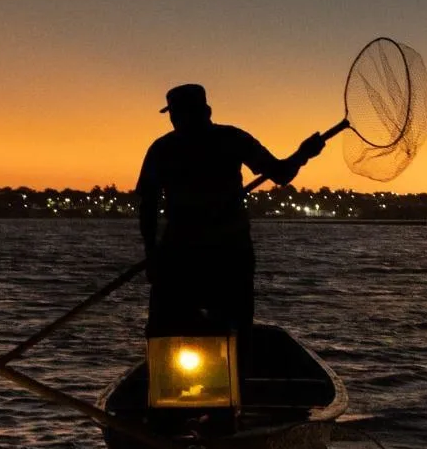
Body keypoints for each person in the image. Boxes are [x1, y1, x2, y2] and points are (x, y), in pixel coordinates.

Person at [135, 83, 325, 335]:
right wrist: (303, 154)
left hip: (197, 255)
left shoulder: (164, 148)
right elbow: (281, 173)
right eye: (174, 114)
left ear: (200, 113)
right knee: (228, 330)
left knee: (170, 330)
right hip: (214, 254)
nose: (175, 119)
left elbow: (147, 205)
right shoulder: (231, 139)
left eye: (177, 113)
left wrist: (153, 253)